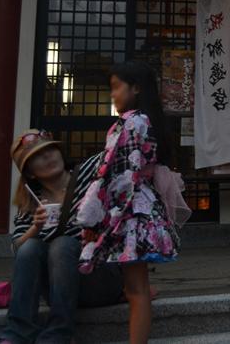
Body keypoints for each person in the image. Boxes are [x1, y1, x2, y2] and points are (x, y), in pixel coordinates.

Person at [76, 62, 180, 344]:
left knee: (135, 290)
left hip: (130, 211)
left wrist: (96, 215)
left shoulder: (129, 124)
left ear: (135, 88)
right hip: (144, 207)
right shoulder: (148, 121)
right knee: (139, 288)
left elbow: (117, 174)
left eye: (115, 87)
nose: (113, 94)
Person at [0, 130, 123, 344]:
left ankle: (59, 334)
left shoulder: (89, 173)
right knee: (30, 247)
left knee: (63, 244)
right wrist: (35, 228)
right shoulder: (31, 202)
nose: (47, 156)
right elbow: (17, 250)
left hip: (99, 278)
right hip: (59, 288)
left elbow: (119, 149)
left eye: (50, 149)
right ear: (29, 172)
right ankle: (17, 333)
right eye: (38, 155)